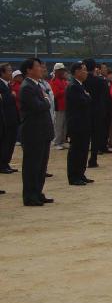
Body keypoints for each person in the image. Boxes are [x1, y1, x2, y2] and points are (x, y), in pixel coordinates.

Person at [18, 58, 54, 206]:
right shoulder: (27, 87)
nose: (41, 69)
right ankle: (30, 195)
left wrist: (45, 101)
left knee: (41, 165)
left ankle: (38, 192)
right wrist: (46, 101)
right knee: (32, 165)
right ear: (29, 70)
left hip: (42, 131)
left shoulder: (36, 85)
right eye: (38, 67)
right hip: (33, 132)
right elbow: (37, 106)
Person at [65, 62, 93, 186]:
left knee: (83, 150)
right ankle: (74, 176)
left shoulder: (80, 85)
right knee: (76, 150)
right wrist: (87, 97)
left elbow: (88, 100)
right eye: (84, 70)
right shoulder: (73, 86)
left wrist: (87, 97)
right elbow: (82, 102)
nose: (86, 72)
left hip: (84, 123)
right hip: (77, 123)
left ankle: (80, 174)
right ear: (77, 72)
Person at [83, 59, 107, 168]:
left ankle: (83, 159)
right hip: (97, 110)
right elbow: (106, 96)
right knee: (96, 136)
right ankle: (93, 158)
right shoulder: (101, 81)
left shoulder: (81, 81)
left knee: (84, 137)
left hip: (84, 110)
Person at [0, 63, 19, 175]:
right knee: (5, 143)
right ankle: (2, 164)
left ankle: (6, 163)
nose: (11, 73)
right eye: (9, 71)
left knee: (10, 143)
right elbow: (4, 100)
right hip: (4, 120)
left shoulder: (8, 84)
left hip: (12, 118)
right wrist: (11, 95)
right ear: (2, 73)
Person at [49, 63, 68, 150]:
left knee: (64, 125)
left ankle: (63, 141)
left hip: (65, 106)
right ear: (57, 71)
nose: (63, 72)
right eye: (61, 70)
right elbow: (55, 94)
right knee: (58, 125)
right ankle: (57, 142)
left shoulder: (64, 81)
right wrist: (65, 90)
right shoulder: (53, 81)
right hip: (58, 106)